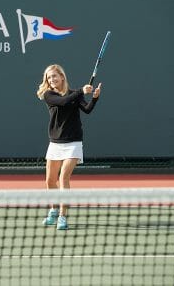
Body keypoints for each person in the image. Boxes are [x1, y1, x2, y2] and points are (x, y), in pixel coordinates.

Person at [36, 64, 101, 230]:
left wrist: (94, 98)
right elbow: (63, 102)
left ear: (62, 77)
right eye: (49, 78)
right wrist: (81, 91)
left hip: (73, 142)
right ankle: (53, 210)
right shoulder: (48, 94)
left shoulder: (74, 94)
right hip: (55, 143)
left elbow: (87, 110)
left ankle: (63, 217)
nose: (52, 80)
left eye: (54, 76)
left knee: (63, 178)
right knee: (50, 180)